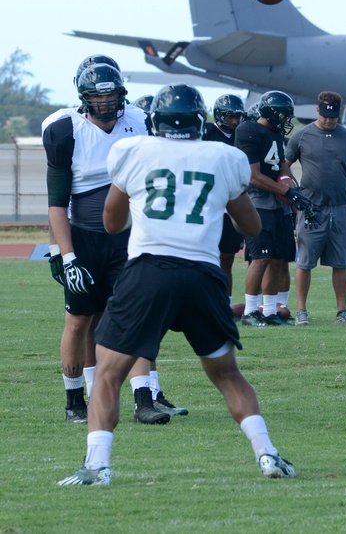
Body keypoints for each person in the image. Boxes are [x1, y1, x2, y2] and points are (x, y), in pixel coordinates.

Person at [57, 84, 295, 485]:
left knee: (111, 373)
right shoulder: (223, 157)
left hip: (148, 271)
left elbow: (111, 222)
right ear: (201, 120)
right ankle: (268, 454)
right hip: (202, 275)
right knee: (227, 375)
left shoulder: (135, 151)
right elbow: (250, 225)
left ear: (158, 121)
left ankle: (98, 465)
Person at [43, 59, 185, 425]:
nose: (105, 104)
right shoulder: (64, 130)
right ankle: (76, 400)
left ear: (122, 95)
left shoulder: (140, 121)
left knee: (135, 315)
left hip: (129, 237)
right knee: (79, 321)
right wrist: (66, 254)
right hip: (85, 239)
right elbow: (57, 204)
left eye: (111, 97)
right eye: (97, 97)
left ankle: (144, 400)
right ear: (84, 98)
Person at [285, 92, 346, 326]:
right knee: (304, 261)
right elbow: (285, 165)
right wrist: (292, 189)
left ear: (339, 114)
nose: (328, 120)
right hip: (310, 209)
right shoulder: (301, 136)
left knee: (341, 262)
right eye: (324, 116)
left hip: (341, 208)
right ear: (317, 111)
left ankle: (341, 312)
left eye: (333, 117)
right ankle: (301, 311)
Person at [234, 90, 315, 327]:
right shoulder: (248, 130)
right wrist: (286, 192)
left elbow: (282, 169)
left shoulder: (278, 134)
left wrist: (294, 190)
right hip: (257, 201)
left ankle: (268, 311)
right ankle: (250, 312)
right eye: (283, 114)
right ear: (271, 112)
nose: (286, 119)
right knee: (261, 258)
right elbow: (253, 175)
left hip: (278, 204)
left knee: (279, 259)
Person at [203, 94, 247, 304]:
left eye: (238, 117)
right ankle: (203, 302)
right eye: (231, 117)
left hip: (232, 202)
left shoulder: (243, 135)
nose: (235, 121)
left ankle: (225, 303)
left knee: (227, 258)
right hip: (207, 203)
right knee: (203, 256)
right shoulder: (206, 132)